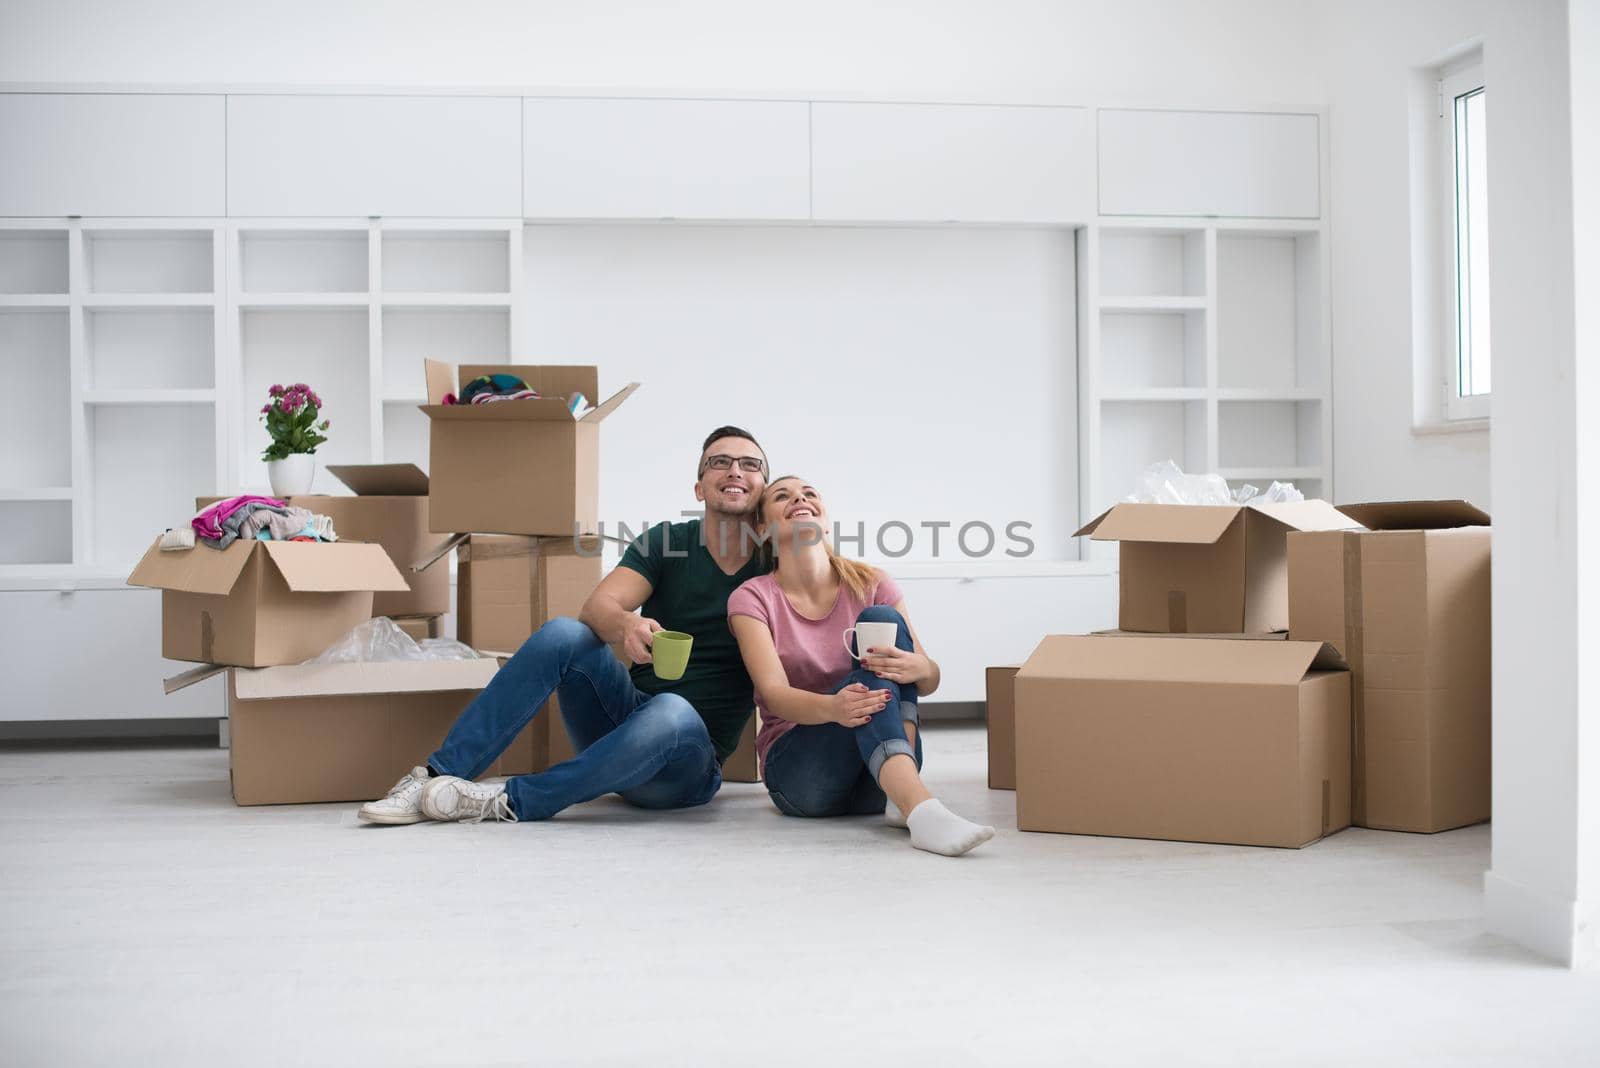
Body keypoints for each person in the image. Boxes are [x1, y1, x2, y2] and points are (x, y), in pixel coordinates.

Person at [357, 426, 772, 825]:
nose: (735, 470)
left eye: (750, 464)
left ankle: (511, 800)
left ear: (763, 489)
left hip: (687, 765)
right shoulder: (667, 542)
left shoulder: (776, 562)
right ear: (699, 487)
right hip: (621, 726)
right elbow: (597, 607)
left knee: (673, 710)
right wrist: (627, 623)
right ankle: (435, 777)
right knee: (563, 633)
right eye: (719, 461)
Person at [727, 476, 994, 856]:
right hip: (803, 779)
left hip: (876, 782)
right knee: (866, 672)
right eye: (782, 496)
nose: (799, 498)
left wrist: (918, 667)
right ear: (762, 529)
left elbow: (929, 678)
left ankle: (906, 800)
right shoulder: (752, 597)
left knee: (880, 621)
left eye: (809, 494)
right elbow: (774, 695)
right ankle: (920, 809)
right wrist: (834, 708)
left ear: (826, 520)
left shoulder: (871, 582)